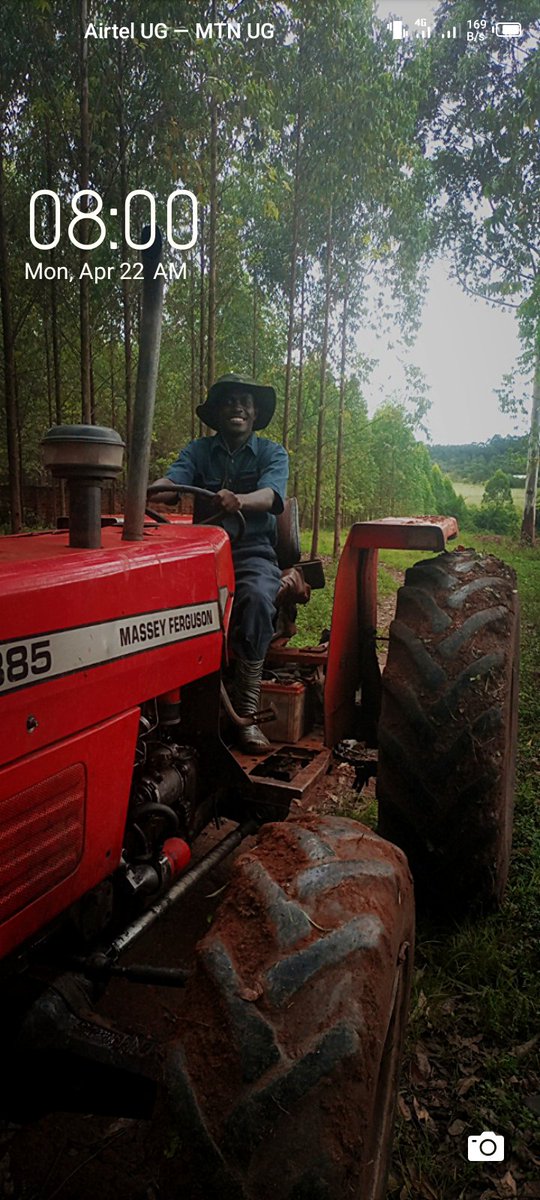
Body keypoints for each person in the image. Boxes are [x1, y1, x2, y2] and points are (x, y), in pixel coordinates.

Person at [150, 373, 289, 754]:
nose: (237, 407)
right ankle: (161, 704)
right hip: (200, 554)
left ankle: (245, 712)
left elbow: (272, 495)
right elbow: (174, 481)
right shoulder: (198, 451)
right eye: (229, 401)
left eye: (245, 400)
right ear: (217, 412)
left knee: (258, 598)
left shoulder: (272, 454)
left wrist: (240, 500)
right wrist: (154, 488)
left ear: (255, 411)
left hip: (250, 550)